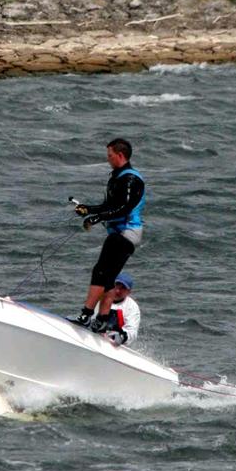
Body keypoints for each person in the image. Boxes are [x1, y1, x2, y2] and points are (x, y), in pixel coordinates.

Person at [72, 137, 145, 331]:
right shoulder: (117, 178)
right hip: (120, 234)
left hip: (126, 233)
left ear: (120, 155)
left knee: (100, 272)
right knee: (109, 276)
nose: (108, 159)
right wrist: (88, 210)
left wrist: (96, 219)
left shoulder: (131, 179)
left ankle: (86, 315)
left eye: (110, 155)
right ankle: (102, 320)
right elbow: (109, 206)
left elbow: (123, 208)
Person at [96, 272, 141, 346]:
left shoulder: (132, 306)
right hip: (97, 337)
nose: (118, 291)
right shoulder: (101, 299)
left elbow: (132, 331)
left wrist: (121, 336)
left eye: (123, 288)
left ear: (129, 292)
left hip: (117, 345)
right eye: (116, 286)